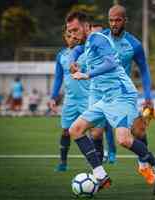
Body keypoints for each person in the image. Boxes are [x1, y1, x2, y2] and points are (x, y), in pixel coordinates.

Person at [67, 11, 155, 195]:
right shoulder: (88, 43)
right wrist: (72, 61)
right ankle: (100, 175)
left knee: (124, 139)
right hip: (106, 98)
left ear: (85, 26)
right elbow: (76, 49)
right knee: (75, 130)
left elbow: (111, 63)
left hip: (122, 95)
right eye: (69, 32)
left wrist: (87, 74)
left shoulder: (97, 39)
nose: (72, 35)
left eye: (75, 30)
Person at [100, 4, 155, 184]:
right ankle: (98, 173)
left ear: (125, 20)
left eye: (117, 20)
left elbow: (145, 71)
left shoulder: (134, 44)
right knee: (93, 132)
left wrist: (148, 97)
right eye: (111, 20)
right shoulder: (99, 40)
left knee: (138, 130)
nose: (114, 23)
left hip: (124, 95)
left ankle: (144, 165)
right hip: (100, 93)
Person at [48, 26, 88, 172]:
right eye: (70, 36)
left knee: (91, 130)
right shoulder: (61, 55)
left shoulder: (86, 52)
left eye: (76, 36)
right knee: (66, 131)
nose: (73, 38)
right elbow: (58, 78)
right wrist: (53, 97)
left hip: (87, 98)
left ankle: (93, 161)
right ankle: (63, 163)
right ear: (65, 37)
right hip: (70, 100)